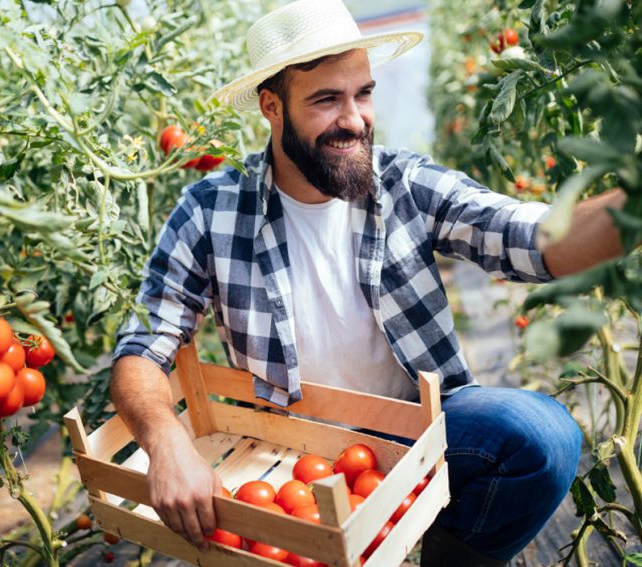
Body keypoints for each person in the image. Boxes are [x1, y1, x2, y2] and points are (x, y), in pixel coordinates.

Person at [110, 0, 627, 565]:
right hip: (289, 448)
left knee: (540, 435)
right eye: (327, 99)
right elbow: (144, 347)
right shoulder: (211, 210)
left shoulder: (405, 182)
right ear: (272, 107)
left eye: (363, 93)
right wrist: (166, 443)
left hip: (418, 432)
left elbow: (536, 239)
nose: (354, 119)